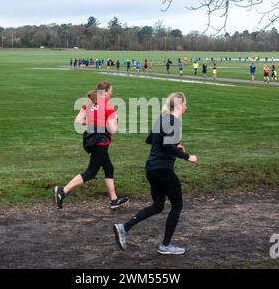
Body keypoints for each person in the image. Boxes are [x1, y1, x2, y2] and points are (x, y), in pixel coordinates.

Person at [113, 92, 197, 255]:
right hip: (163, 170)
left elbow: (150, 139)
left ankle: (124, 228)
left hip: (151, 168)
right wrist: (187, 156)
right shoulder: (173, 120)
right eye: (185, 103)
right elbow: (166, 145)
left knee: (158, 206)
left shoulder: (163, 119)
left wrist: (174, 145)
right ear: (179, 105)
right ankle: (165, 245)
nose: (187, 106)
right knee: (177, 205)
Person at [54, 81, 129, 210]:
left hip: (90, 140)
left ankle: (114, 200)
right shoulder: (108, 106)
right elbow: (112, 129)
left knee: (109, 168)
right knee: (91, 172)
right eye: (111, 92)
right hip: (101, 142)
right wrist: (115, 118)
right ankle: (63, 191)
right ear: (105, 93)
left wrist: (92, 122)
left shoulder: (89, 103)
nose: (111, 94)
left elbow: (78, 121)